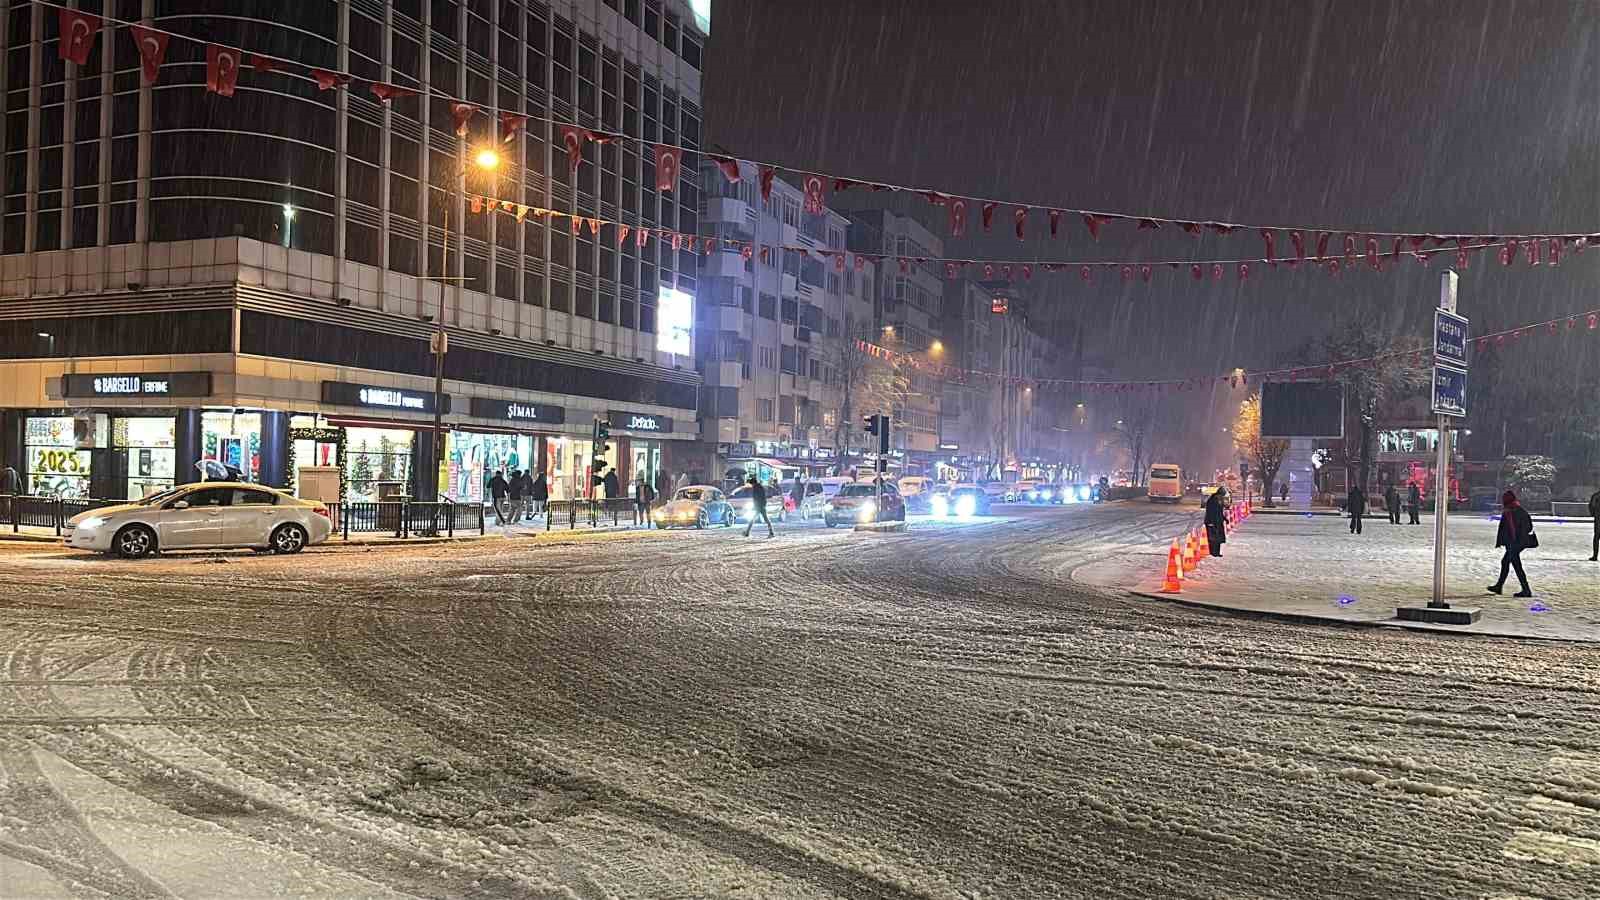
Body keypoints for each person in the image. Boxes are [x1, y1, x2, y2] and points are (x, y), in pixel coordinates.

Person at [1489, 490, 1536, 597]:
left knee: (1511, 563)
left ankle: (1525, 589)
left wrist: (1517, 538)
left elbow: (1525, 527)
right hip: (1513, 543)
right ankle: (1501, 586)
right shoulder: (1511, 510)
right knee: (1509, 563)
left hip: (1516, 543)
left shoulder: (1515, 511)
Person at [1202, 488, 1226, 556]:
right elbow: (1210, 512)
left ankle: (1217, 553)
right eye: (1222, 495)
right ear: (1219, 494)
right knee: (1213, 539)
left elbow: (1219, 512)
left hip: (1218, 522)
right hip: (1212, 522)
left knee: (1218, 539)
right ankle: (1213, 552)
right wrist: (1211, 522)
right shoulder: (1212, 500)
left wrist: (1224, 519)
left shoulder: (1219, 500)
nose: (1222, 497)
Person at [1588, 487, 1600, 561]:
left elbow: (1591, 506)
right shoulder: (1596, 496)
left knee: (1596, 537)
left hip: (1598, 518)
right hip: (1598, 518)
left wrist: (1593, 513)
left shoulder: (1596, 495)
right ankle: (1595, 556)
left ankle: (1595, 556)